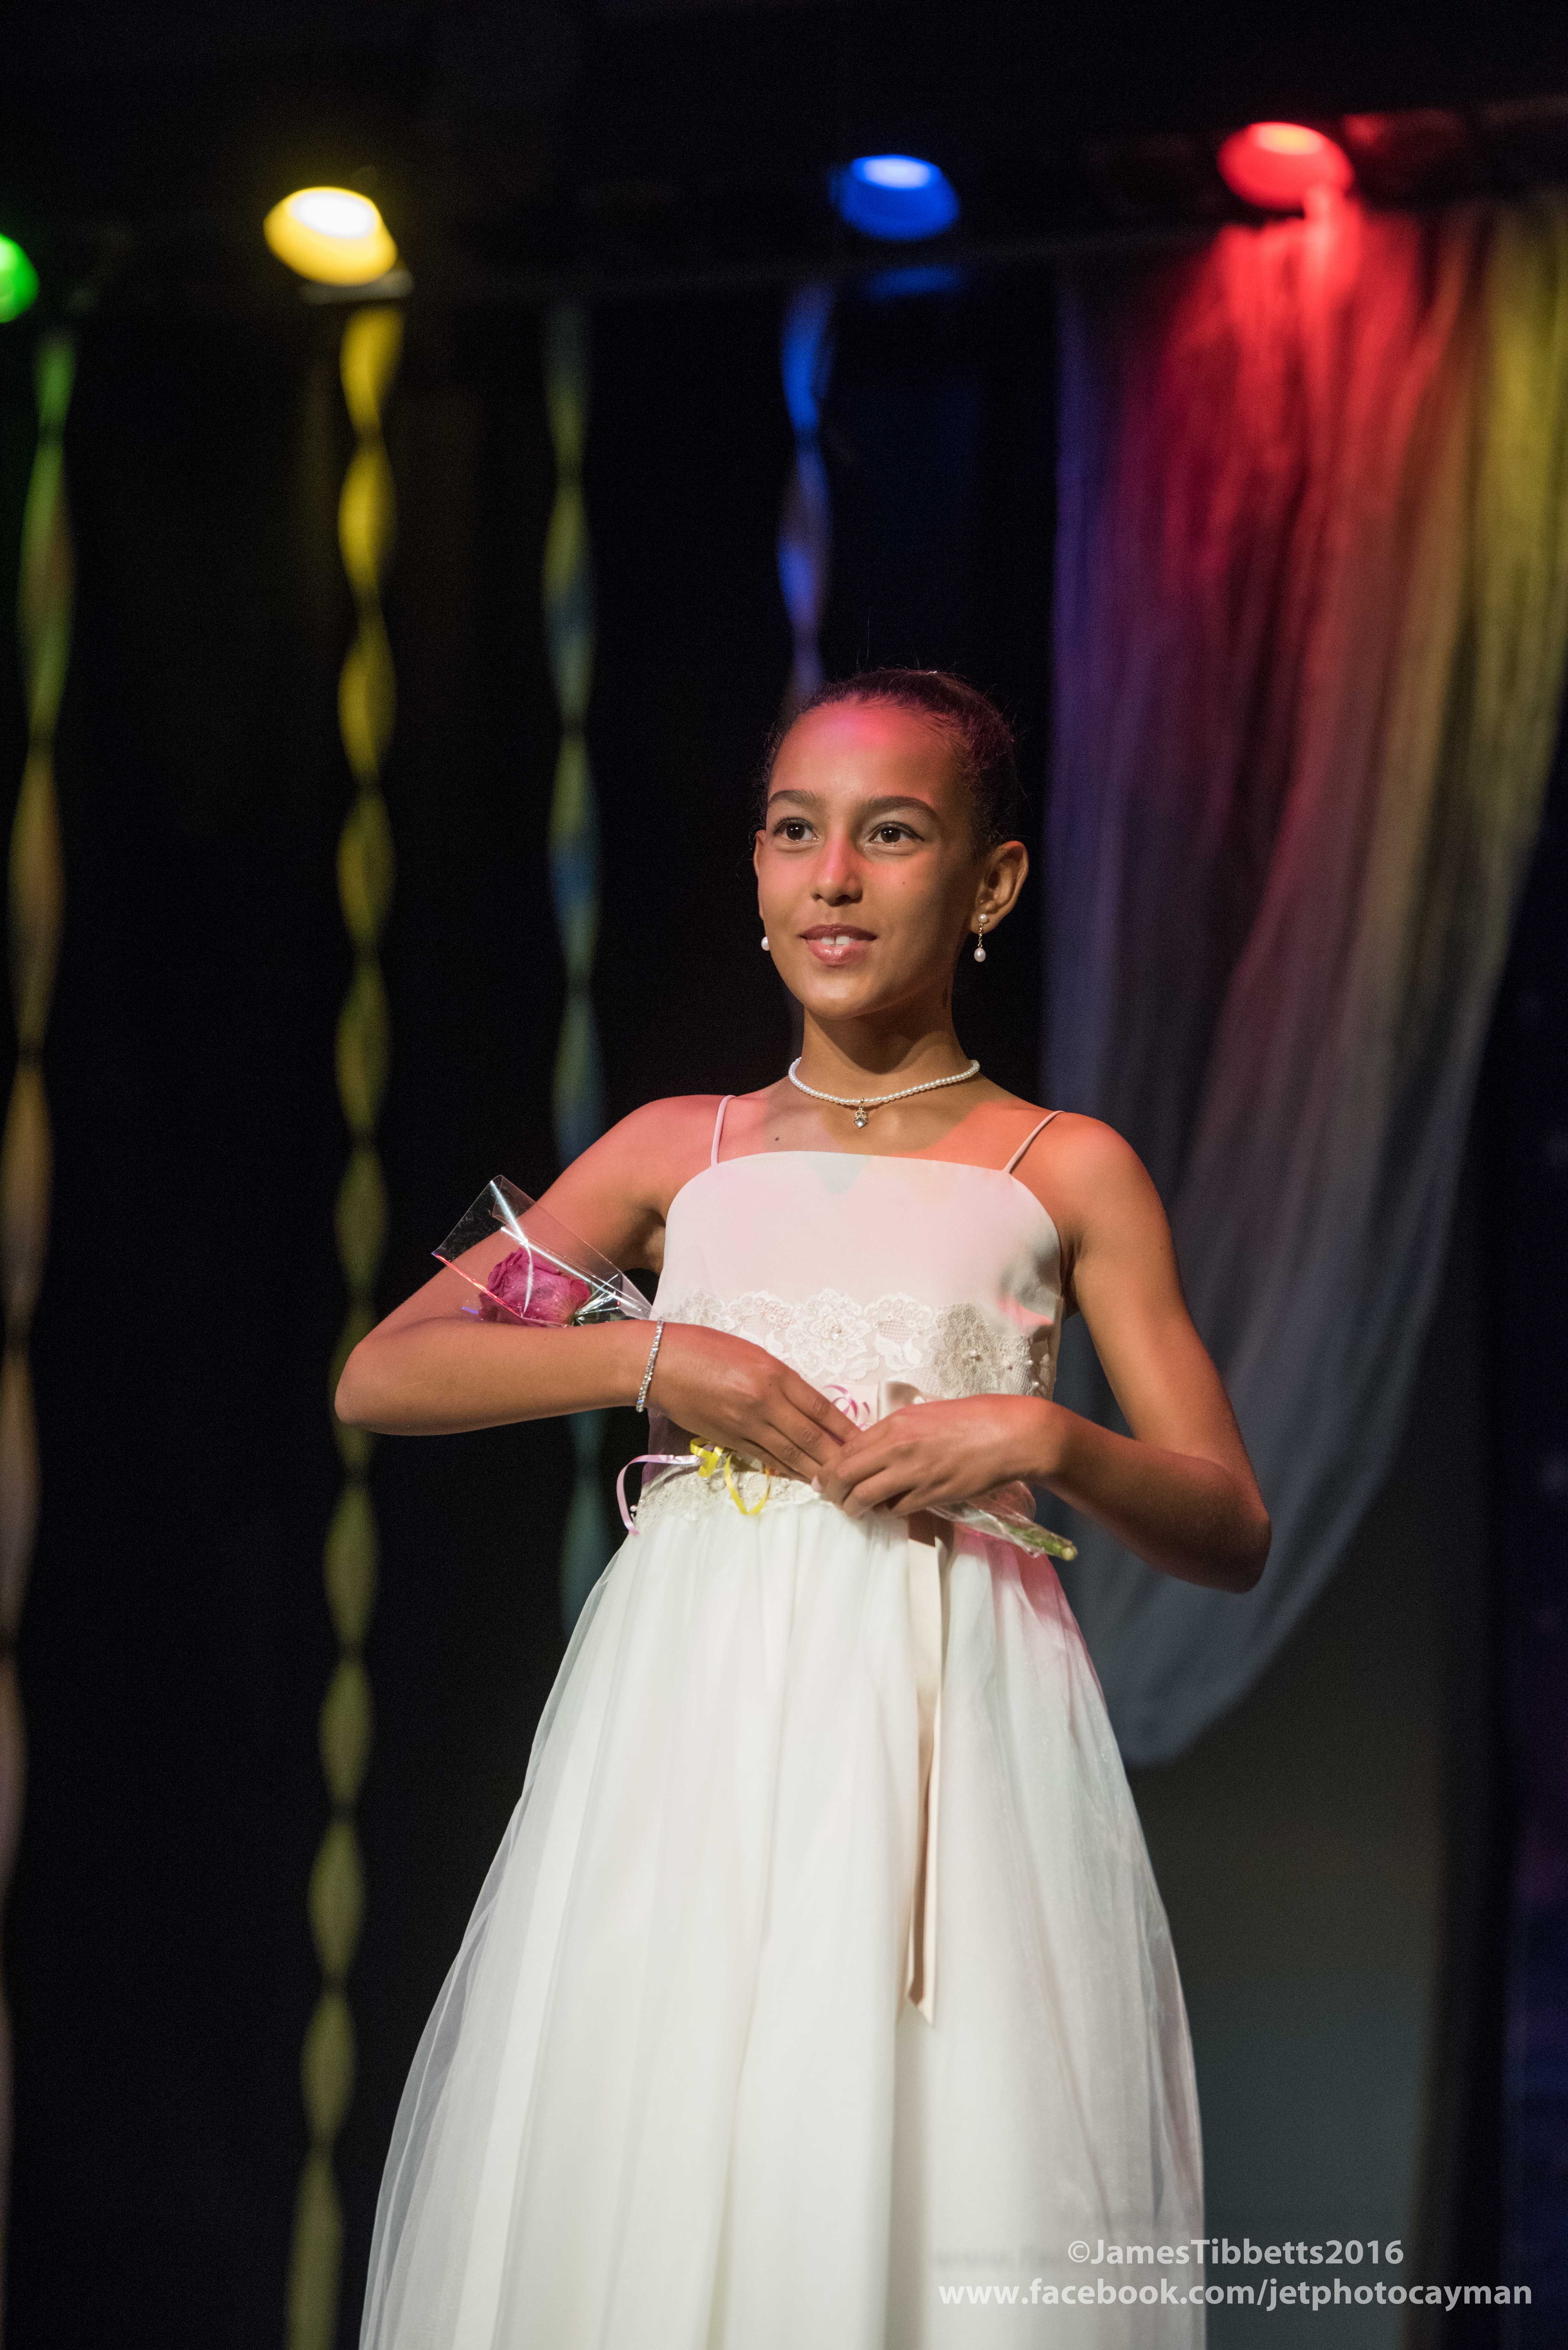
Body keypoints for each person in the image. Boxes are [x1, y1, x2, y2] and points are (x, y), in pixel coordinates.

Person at [339, 668, 1270, 2349]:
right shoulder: (672, 1153)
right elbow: (389, 1372)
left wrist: (1047, 1438)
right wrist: (655, 1357)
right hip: (691, 1715)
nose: (832, 877)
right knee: (665, 2118)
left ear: (990, 883)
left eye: (892, 835)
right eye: (794, 832)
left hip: (946, 1722)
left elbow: (1227, 1520)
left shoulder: (1061, 1167)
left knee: (928, 2138)